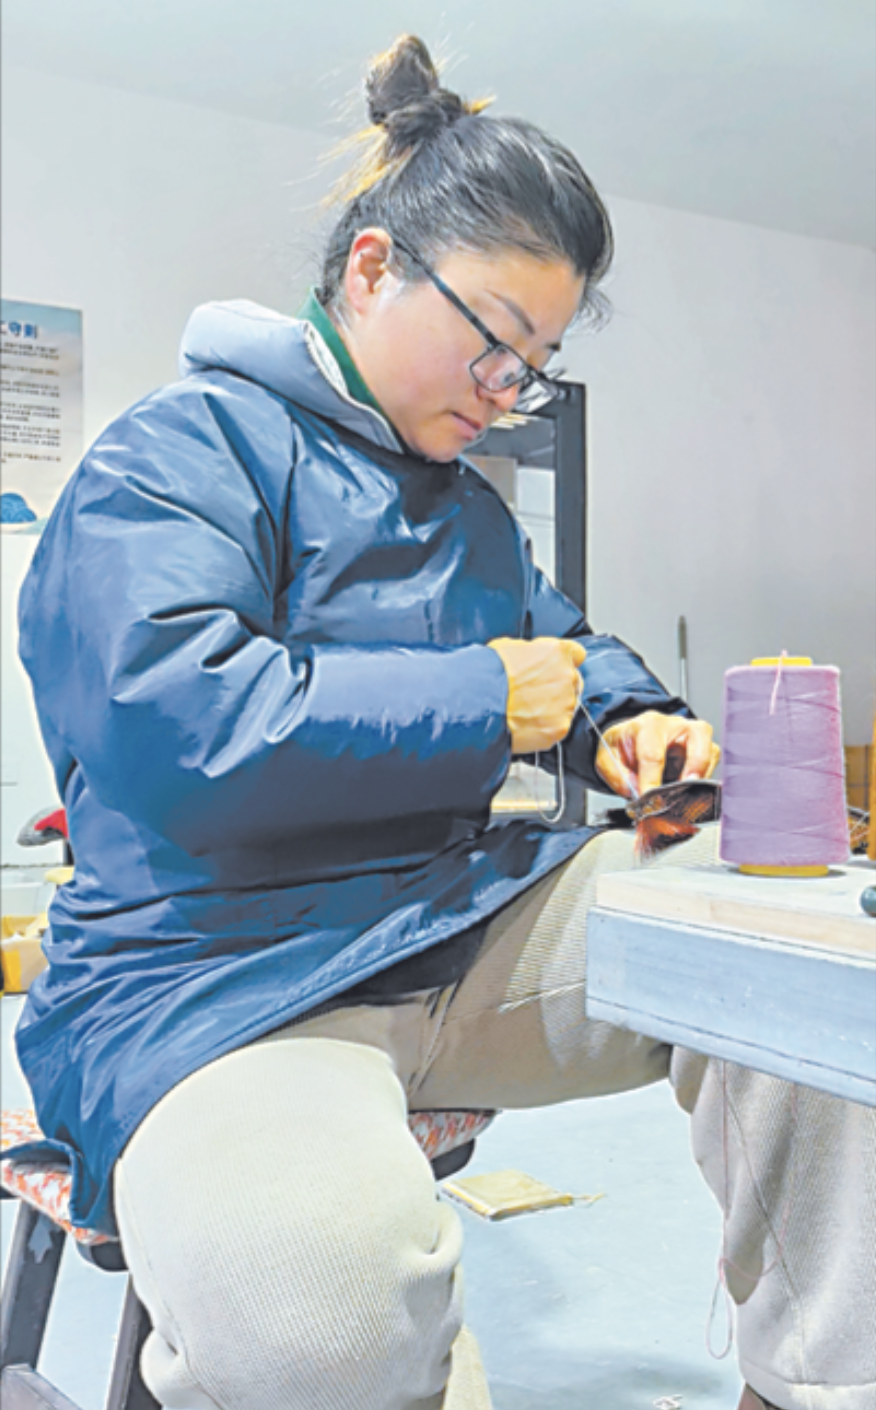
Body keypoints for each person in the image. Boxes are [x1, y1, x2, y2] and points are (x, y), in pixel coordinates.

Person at [14, 34, 873, 1410]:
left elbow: (567, 650)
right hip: (218, 981)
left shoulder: (469, 511)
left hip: (457, 929)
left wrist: (629, 720)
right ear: (372, 269)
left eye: (534, 366)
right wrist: (490, 700)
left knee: (797, 952)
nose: (504, 390)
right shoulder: (173, 456)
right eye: (493, 341)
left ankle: (816, 1383)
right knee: (319, 1317)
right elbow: (173, 729)